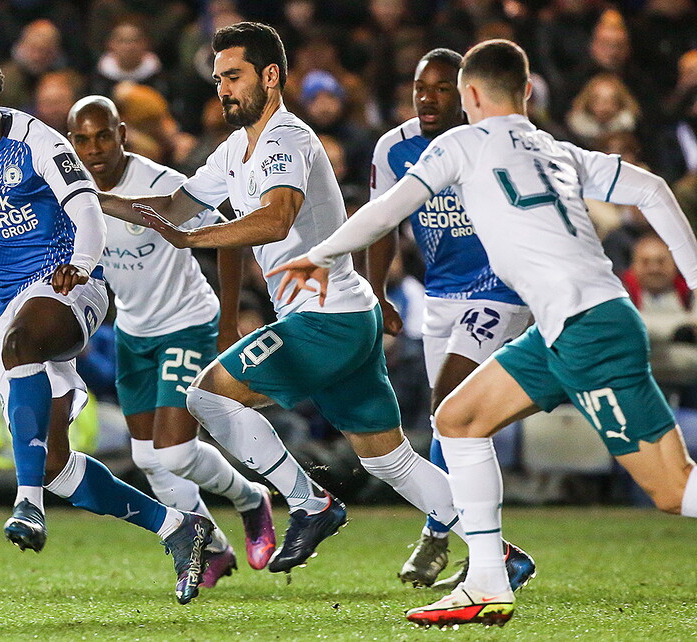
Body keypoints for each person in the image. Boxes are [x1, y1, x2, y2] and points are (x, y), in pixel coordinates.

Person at [270, 39, 697, 627]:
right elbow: (652, 189)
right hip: (568, 326)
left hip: (589, 330)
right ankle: (486, 582)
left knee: (674, 492)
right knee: (458, 419)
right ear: (525, 92)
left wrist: (319, 255)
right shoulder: (558, 150)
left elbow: (388, 210)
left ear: (470, 94)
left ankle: (483, 574)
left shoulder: (461, 143)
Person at [97, 22, 535, 580]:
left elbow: (275, 216)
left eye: (234, 76)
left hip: (326, 318)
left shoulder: (288, 139)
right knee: (389, 458)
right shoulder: (235, 149)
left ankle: (310, 504)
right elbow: (177, 206)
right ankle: (501, 553)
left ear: (271, 76)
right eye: (218, 79)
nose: (223, 90)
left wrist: (193, 239)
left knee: (207, 397)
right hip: (346, 316)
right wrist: (92, 199)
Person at [0, 46, 213, 605]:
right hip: (9, 309)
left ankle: (26, 504)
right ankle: (178, 528)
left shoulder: (41, 143)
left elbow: (88, 207)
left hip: (71, 288)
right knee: (53, 464)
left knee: (24, 343)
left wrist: (85, 266)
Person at [67, 95, 276, 587]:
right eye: (83, 138)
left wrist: (229, 320)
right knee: (146, 459)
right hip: (133, 332)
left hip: (188, 322)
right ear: (72, 142)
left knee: (176, 453)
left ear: (122, 133)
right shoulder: (71, 192)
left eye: (104, 135)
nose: (94, 148)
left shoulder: (161, 183)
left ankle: (252, 499)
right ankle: (214, 548)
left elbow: (228, 233)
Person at [367, 49, 531, 590]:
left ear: (464, 95)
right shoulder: (394, 147)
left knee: (449, 402)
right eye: (420, 87)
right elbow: (383, 223)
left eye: (441, 88)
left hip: (500, 291)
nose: (427, 97)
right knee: (451, 421)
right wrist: (377, 292)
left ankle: (442, 538)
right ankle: (475, 545)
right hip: (440, 297)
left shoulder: (493, 140)